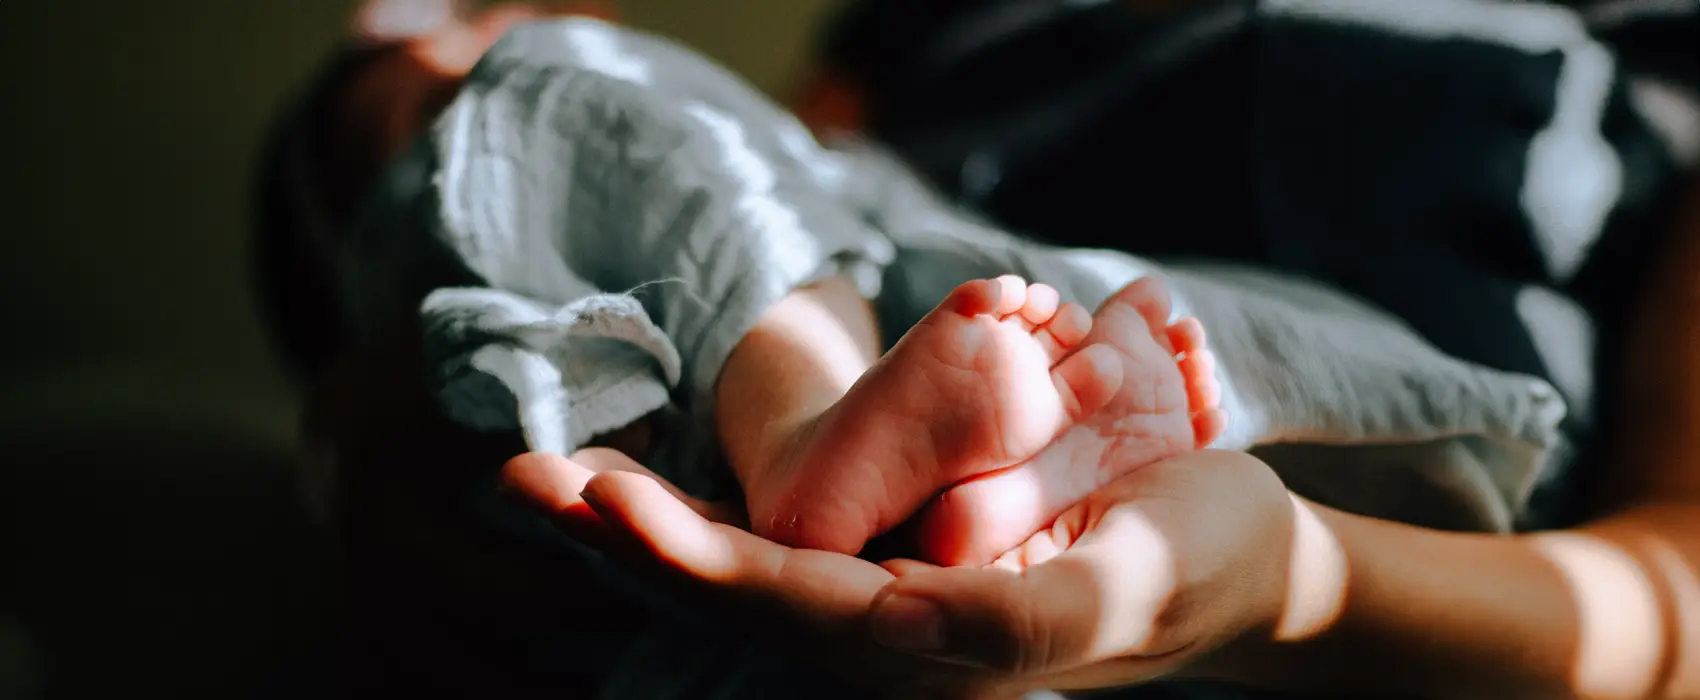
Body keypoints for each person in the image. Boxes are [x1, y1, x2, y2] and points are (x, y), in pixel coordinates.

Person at [262, 1, 1699, 698]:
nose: (442, 49)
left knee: (586, 94)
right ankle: (838, 449)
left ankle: (860, 459)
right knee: (582, 113)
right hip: (875, 405)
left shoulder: (1644, 54)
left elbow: (1674, 589)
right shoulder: (925, 22)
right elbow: (703, 215)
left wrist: (1288, 582)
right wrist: (366, 420)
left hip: (1348, 474)